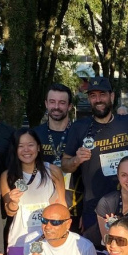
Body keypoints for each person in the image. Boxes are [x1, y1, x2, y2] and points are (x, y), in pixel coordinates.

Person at [62, 77, 128, 233]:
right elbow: (65, 164)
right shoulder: (79, 127)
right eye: (93, 96)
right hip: (93, 206)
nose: (98, 100)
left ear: (112, 96)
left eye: (102, 94)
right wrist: (76, 160)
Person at [33, 83, 82, 221]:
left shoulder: (80, 133)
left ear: (69, 106)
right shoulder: (35, 134)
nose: (56, 107)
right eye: (52, 102)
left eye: (62, 103)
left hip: (75, 204)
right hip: (42, 203)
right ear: (46, 104)